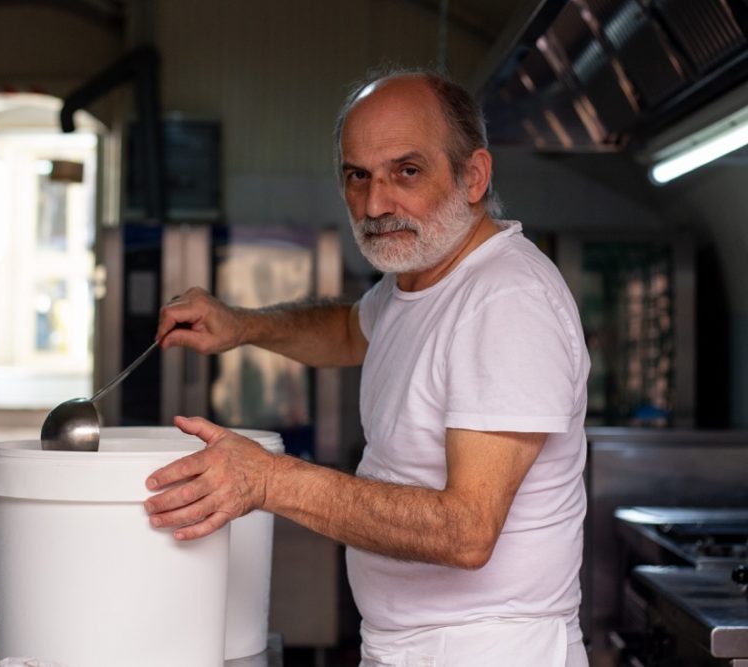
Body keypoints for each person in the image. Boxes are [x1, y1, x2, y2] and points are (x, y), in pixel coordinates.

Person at [144, 68, 590, 667]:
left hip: (486, 649)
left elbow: (466, 530)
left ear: (474, 175)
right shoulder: (423, 279)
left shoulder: (505, 300)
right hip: (415, 645)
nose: (377, 204)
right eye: (359, 176)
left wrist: (270, 480)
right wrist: (242, 324)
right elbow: (350, 328)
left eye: (407, 171)